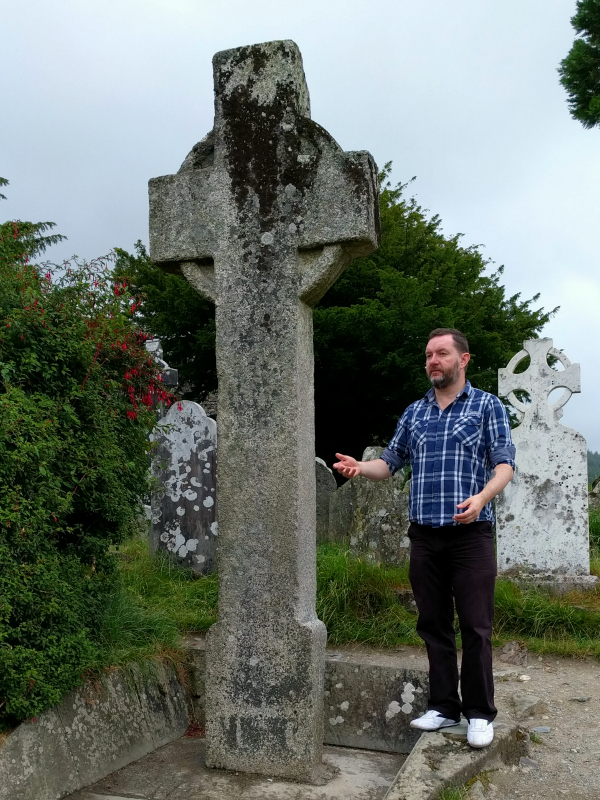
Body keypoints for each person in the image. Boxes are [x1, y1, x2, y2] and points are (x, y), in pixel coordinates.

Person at [333, 328, 515, 749]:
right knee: (433, 624)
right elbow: (390, 463)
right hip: (425, 536)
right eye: (429, 354)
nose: (433, 360)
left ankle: (480, 714)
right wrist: (362, 467)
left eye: (442, 353)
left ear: (463, 359)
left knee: (475, 626)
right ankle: (443, 707)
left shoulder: (487, 406)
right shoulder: (414, 413)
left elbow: (504, 465)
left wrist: (483, 497)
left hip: (471, 535)